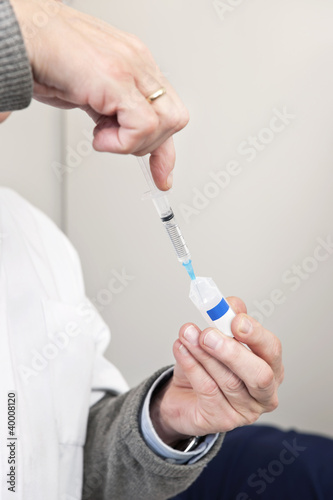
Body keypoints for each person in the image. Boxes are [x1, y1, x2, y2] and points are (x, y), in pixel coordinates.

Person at [1, 1, 331, 500]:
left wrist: (165, 421)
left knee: (312, 471)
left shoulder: (34, 239)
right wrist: (24, 30)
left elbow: (66, 461)